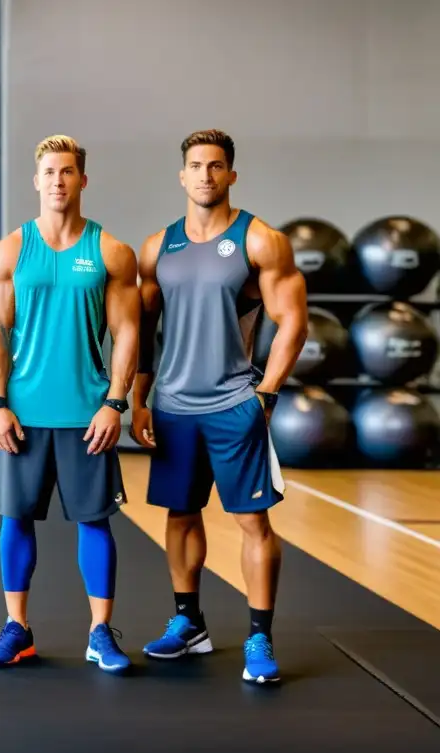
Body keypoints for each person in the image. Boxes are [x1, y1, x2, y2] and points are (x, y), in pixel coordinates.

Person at [132, 129, 307, 685]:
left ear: (231, 174)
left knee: (252, 520)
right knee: (180, 516)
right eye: (195, 166)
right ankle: (189, 623)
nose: (205, 175)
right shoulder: (158, 247)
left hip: (235, 401)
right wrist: (138, 398)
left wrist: (267, 392)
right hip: (174, 405)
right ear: (182, 176)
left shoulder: (260, 241)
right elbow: (142, 325)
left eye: (215, 166)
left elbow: (294, 322)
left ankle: (259, 634)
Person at [0, 135, 140, 673]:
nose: (57, 181)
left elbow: (127, 332)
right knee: (15, 520)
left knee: (95, 522)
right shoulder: (8, 251)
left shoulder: (111, 252)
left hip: (86, 414)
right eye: (49, 172)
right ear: (36, 180)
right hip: (22, 415)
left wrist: (115, 403)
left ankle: (100, 633)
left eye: (67, 171)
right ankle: (17, 628)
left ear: (82, 180)